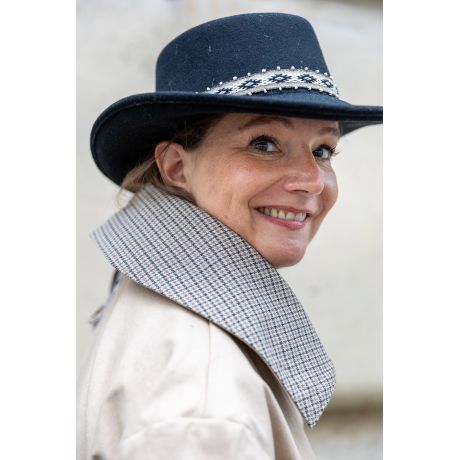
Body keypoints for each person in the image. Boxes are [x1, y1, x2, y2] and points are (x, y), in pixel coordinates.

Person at [77, 12, 382, 460]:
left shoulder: (153, 297)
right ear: (176, 167)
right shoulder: (205, 399)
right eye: (264, 143)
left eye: (322, 150)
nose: (311, 180)